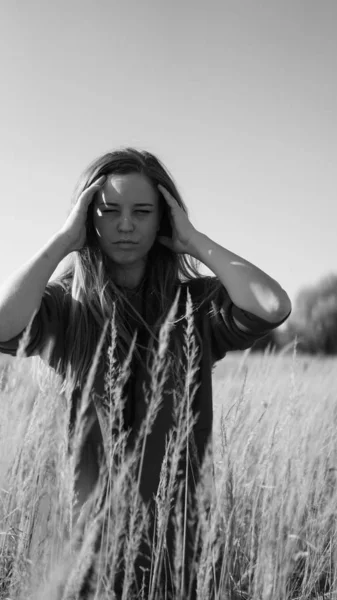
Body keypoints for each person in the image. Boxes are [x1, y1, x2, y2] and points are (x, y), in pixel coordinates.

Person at [0, 147, 292, 598]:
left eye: (142, 212)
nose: (125, 225)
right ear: (88, 218)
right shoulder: (67, 307)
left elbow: (273, 306)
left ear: (163, 221)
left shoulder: (192, 307)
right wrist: (62, 241)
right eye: (109, 210)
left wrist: (194, 241)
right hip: (83, 546)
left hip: (176, 544)